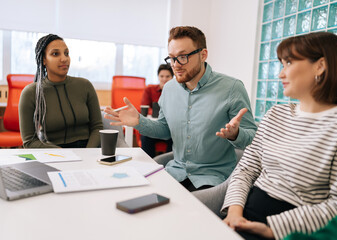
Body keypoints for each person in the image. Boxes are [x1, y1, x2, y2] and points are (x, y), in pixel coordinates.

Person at [220, 32, 337, 240]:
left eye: (288, 63)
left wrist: (272, 229)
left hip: (293, 231)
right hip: (242, 213)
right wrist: (234, 213)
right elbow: (246, 168)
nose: (280, 74)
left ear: (320, 66)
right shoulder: (276, 114)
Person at [105, 26, 257, 192]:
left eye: (183, 57)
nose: (175, 65)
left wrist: (235, 135)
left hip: (213, 178)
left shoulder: (232, 88)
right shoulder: (169, 89)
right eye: (171, 58)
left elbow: (253, 138)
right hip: (175, 172)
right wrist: (139, 122)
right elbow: (164, 130)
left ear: (203, 54)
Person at [19, 34, 103, 148]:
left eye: (66, 53)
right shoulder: (30, 93)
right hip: (53, 153)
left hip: (88, 150)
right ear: (44, 60)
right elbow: (29, 141)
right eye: (55, 54)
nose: (64, 59)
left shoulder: (85, 85)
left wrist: (87, 154)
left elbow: (97, 127)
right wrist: (63, 155)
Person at [140, 64, 174, 157]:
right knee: (146, 136)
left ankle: (168, 166)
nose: (164, 79)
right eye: (161, 76)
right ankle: (149, 165)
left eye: (167, 76)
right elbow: (144, 108)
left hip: (170, 130)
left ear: (172, 77)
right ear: (158, 77)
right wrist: (158, 113)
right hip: (154, 127)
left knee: (175, 138)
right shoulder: (150, 89)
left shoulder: (177, 91)